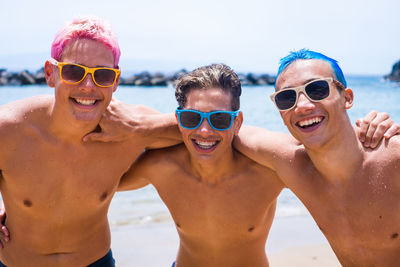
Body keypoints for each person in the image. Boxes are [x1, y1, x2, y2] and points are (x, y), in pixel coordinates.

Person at [115, 63, 397, 267]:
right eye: (191, 119)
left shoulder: (269, 169)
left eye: (220, 120)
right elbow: (99, 186)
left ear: (237, 122)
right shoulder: (161, 166)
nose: (204, 131)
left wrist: (370, 131)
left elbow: (325, 155)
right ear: (178, 120)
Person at [0, 15, 179, 266]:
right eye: (74, 71)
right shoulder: (9, 129)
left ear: (115, 81)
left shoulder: (129, 129)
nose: (87, 85)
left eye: (102, 75)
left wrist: (140, 127)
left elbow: (204, 132)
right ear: (51, 73)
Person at [234, 49, 400, 266]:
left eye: (317, 89)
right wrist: (192, 118)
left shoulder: (393, 158)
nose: (302, 106)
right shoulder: (292, 164)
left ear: (347, 98)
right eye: (287, 97)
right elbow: (211, 129)